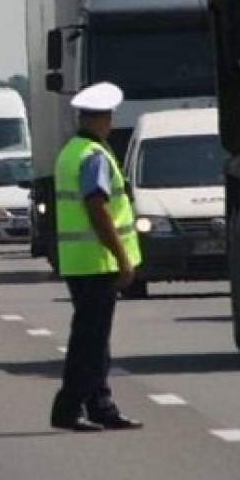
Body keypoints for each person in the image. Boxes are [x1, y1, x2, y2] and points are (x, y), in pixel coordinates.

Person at [50, 82, 144, 433]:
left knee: (95, 339)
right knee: (88, 343)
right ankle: (68, 409)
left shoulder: (71, 152)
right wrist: (121, 257)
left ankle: (100, 405)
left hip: (81, 261)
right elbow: (97, 209)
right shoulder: (93, 157)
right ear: (104, 118)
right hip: (96, 262)